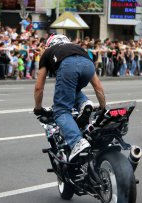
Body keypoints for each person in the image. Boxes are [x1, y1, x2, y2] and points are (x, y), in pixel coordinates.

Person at [33, 34, 106, 162]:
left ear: (49, 45)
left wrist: (38, 108)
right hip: (88, 65)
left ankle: (77, 142)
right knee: (73, 89)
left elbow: (39, 87)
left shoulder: (48, 52)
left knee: (61, 110)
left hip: (68, 66)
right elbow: (98, 86)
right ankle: (84, 102)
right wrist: (103, 107)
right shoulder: (78, 48)